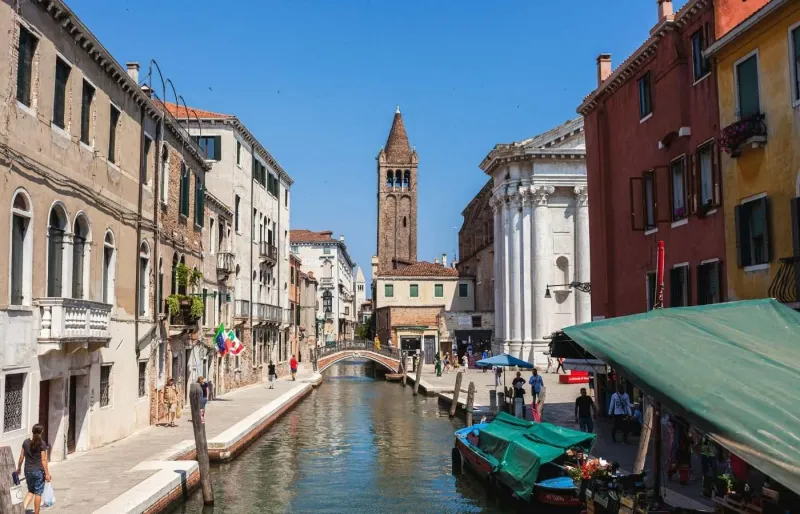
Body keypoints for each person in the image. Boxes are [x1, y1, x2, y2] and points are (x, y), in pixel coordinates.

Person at [17, 424, 51, 514]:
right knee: (38, 493)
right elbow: (44, 460)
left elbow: (21, 457)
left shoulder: (25, 442)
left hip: (28, 471)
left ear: (32, 431)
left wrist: (19, 468)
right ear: (42, 432)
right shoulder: (42, 444)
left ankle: (22, 509)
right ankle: (36, 513)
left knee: (31, 491)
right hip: (39, 472)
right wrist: (47, 474)